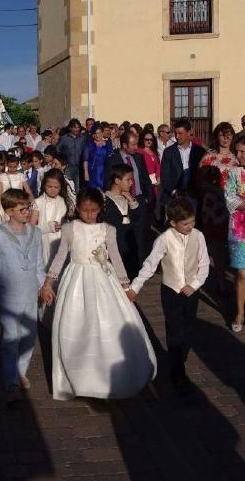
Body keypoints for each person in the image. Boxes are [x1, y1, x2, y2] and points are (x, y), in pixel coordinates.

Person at [40, 188, 156, 401]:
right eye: (85, 210)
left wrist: (126, 285)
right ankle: (77, 377)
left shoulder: (108, 230)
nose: (89, 215)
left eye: (93, 211)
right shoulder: (69, 228)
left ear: (100, 209)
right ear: (78, 209)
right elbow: (59, 257)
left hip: (103, 279)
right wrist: (48, 283)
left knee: (104, 323)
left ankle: (103, 374)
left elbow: (116, 258)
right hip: (76, 279)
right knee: (76, 325)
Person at [128, 198, 209, 396]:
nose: (190, 226)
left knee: (188, 328)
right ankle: (178, 375)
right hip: (171, 291)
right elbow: (150, 264)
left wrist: (195, 284)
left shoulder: (198, 236)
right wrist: (135, 286)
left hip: (191, 291)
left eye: (192, 222)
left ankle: (179, 357)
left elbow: (204, 264)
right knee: (175, 330)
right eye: (185, 224)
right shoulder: (164, 239)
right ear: (173, 223)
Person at [0, 189, 46, 403]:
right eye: (22, 209)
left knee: (29, 336)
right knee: (11, 338)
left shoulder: (36, 233)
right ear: (9, 211)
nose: (27, 212)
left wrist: (44, 286)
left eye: (28, 207)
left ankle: (21, 370)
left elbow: (39, 265)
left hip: (30, 293)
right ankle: (11, 381)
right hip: (9, 296)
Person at [198, 122, 236, 296]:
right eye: (222, 135)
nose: (226, 138)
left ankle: (236, 278)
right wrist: (216, 189)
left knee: (235, 245)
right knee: (218, 246)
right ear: (216, 137)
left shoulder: (238, 157)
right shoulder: (208, 157)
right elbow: (199, 181)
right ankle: (221, 280)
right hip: (214, 208)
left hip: (235, 209)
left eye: (229, 135)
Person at [103, 131, 152, 264]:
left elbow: (145, 179)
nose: (136, 147)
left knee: (140, 236)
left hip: (139, 200)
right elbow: (108, 181)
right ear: (124, 145)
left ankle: (140, 266)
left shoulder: (139, 158)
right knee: (125, 236)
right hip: (122, 203)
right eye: (133, 144)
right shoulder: (112, 160)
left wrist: (147, 197)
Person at [104, 164, 140, 280]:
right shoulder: (105, 200)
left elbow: (137, 219)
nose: (131, 183)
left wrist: (131, 201)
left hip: (129, 250)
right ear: (117, 181)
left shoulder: (129, 200)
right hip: (114, 249)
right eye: (128, 180)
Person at [160, 119, 205, 209]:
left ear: (188, 133)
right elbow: (165, 175)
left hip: (194, 197)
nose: (177, 136)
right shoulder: (168, 152)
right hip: (173, 198)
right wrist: (174, 192)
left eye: (180, 133)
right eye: (176, 133)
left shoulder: (200, 151)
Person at [225, 135, 245, 333]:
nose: (238, 156)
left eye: (242, 152)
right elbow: (229, 198)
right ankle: (239, 312)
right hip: (239, 228)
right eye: (237, 151)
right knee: (241, 273)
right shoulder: (234, 173)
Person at [30, 169, 68, 270]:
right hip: (44, 241)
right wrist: (48, 227)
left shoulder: (63, 201)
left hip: (61, 240)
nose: (53, 190)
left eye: (56, 187)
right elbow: (31, 227)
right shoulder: (38, 202)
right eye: (49, 187)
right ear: (44, 185)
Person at [0, 154, 34, 227]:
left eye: (15, 167)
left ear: (18, 165)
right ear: (6, 165)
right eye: (10, 166)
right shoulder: (2, 176)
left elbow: (28, 190)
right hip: (5, 205)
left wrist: (33, 202)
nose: (12, 168)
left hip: (18, 205)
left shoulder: (21, 176)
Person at [57, 118, 86, 192]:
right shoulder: (64, 139)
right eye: (75, 127)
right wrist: (62, 162)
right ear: (70, 128)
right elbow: (58, 150)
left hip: (80, 168)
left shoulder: (83, 138)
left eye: (78, 127)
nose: (77, 129)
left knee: (78, 189)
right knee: (68, 188)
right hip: (68, 167)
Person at [137, 130, 161, 202]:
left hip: (154, 183)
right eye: (146, 139)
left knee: (153, 204)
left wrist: (158, 177)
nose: (149, 141)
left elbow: (158, 165)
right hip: (144, 182)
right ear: (142, 140)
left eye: (151, 139)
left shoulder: (154, 151)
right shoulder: (138, 151)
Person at [52, 153, 76, 218]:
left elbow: (72, 197)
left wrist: (71, 210)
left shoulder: (67, 181)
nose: (53, 166)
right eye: (52, 163)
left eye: (56, 164)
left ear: (63, 166)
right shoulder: (47, 177)